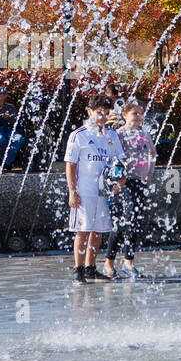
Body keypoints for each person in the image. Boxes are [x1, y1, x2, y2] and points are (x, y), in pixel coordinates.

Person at [65, 95, 126, 284]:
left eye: (106, 113)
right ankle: (78, 269)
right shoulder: (79, 134)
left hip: (104, 191)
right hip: (85, 190)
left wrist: (119, 182)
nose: (103, 116)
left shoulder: (111, 135)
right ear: (89, 111)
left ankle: (91, 268)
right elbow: (70, 164)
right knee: (82, 230)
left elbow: (120, 161)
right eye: (99, 112)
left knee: (98, 230)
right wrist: (72, 191)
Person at [102, 99, 154, 280]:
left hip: (139, 182)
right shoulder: (119, 134)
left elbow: (152, 154)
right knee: (122, 221)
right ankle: (109, 262)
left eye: (141, 113)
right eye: (135, 113)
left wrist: (148, 176)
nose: (139, 117)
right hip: (123, 183)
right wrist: (114, 182)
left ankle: (128, 262)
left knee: (135, 223)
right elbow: (111, 158)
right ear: (124, 115)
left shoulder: (144, 134)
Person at [0, 86, 26, 170]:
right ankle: (5, 162)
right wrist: (4, 116)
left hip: (9, 129)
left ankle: (6, 162)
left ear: (5, 95)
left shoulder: (11, 107)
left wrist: (1, 117)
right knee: (0, 139)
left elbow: (15, 118)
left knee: (19, 139)